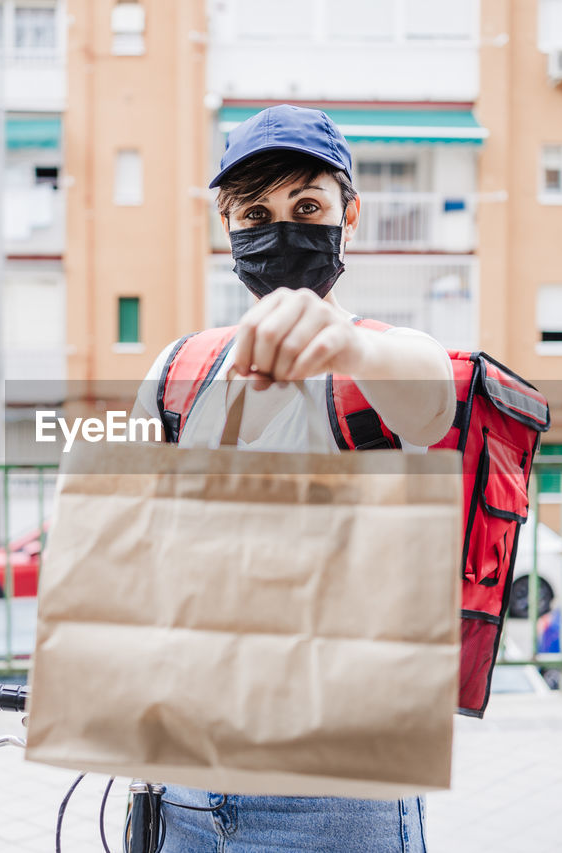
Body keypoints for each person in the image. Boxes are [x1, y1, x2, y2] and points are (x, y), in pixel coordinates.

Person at [131, 104, 455, 852]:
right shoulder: (179, 370)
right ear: (228, 228)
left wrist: (346, 344)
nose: (281, 230)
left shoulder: (386, 359)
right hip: (182, 785)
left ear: (351, 216)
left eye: (307, 206)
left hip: (336, 788)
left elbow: (435, 396)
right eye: (256, 211)